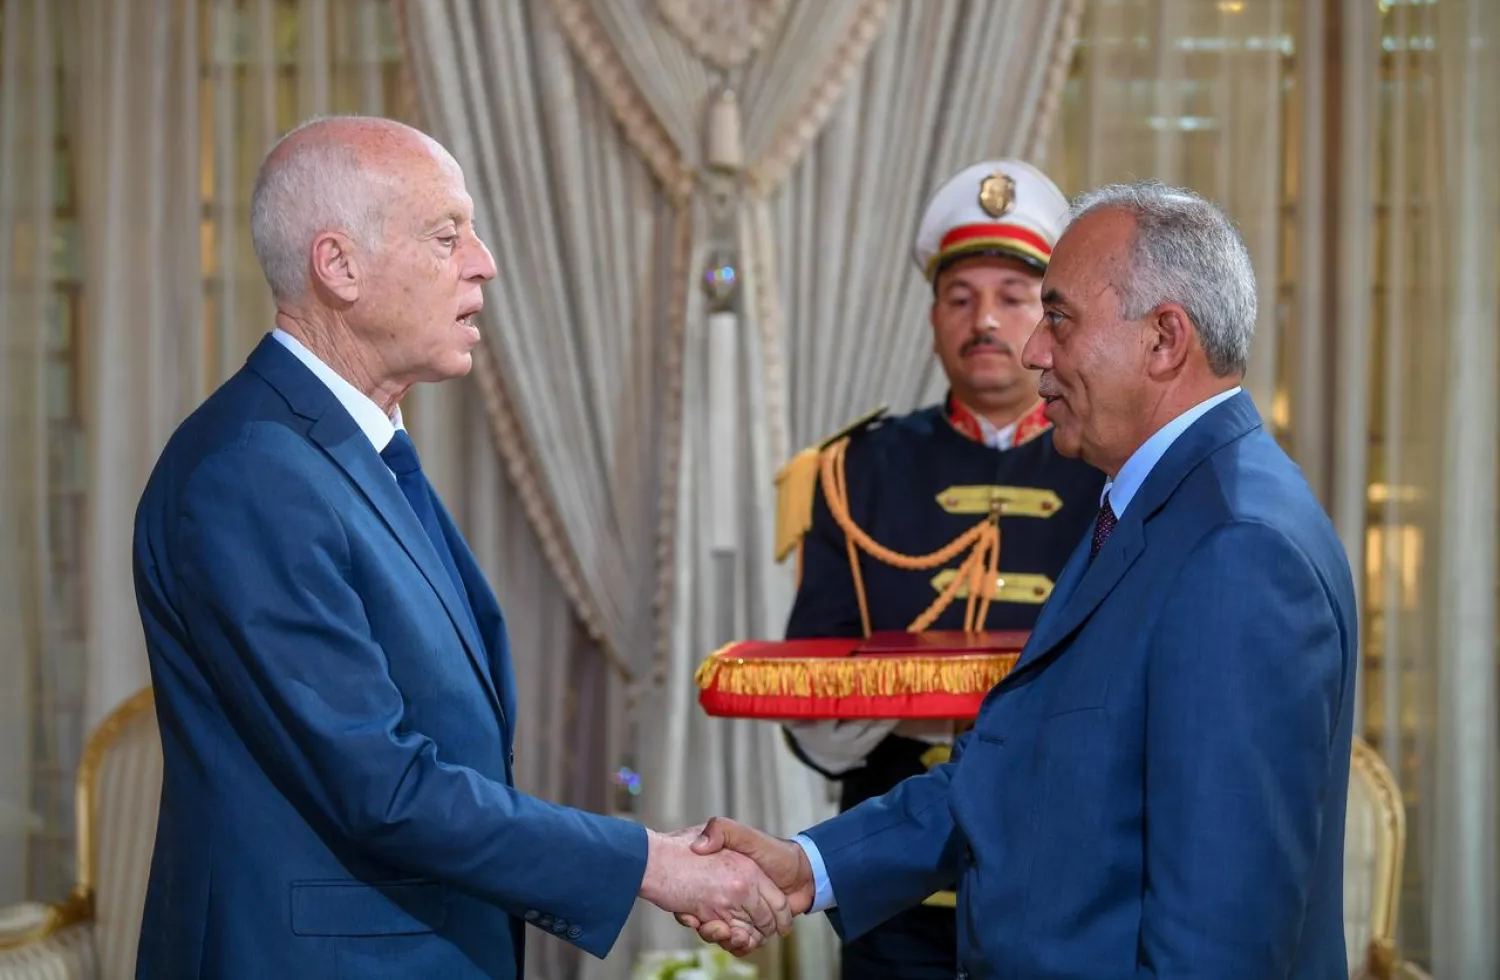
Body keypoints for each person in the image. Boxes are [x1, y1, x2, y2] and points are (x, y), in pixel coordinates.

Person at [130, 116, 789, 980]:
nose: (484, 261)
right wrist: (651, 864)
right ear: (339, 267)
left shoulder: (343, 448)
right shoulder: (253, 470)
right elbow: (384, 787)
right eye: (448, 235)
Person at [685, 180, 1360, 978]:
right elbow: (1021, 762)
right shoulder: (1153, 503)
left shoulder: (1238, 548)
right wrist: (811, 866)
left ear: (1164, 340)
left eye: (1059, 317)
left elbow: (1221, 937)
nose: (1033, 347)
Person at [773, 159, 1105, 979]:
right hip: (890, 901)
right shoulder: (855, 469)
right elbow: (809, 675)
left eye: (1013, 297)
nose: (984, 320)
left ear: (1052, 320)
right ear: (931, 319)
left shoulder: (1113, 471)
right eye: (960, 298)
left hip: (1069, 890)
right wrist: (891, 707)